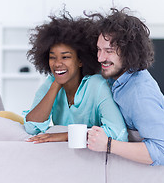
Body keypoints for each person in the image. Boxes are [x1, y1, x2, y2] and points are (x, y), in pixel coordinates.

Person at [87, 8, 164, 166]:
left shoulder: (139, 93)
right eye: (99, 49)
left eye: (109, 51)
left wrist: (108, 144)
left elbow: (163, 153)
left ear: (129, 53)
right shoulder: (116, 78)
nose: (100, 58)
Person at [23, 11, 128, 143]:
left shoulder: (96, 85)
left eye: (65, 57)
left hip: (92, 157)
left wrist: (66, 135)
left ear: (80, 60)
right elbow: (31, 127)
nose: (57, 63)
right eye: (52, 58)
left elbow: (118, 133)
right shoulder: (51, 83)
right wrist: (55, 86)